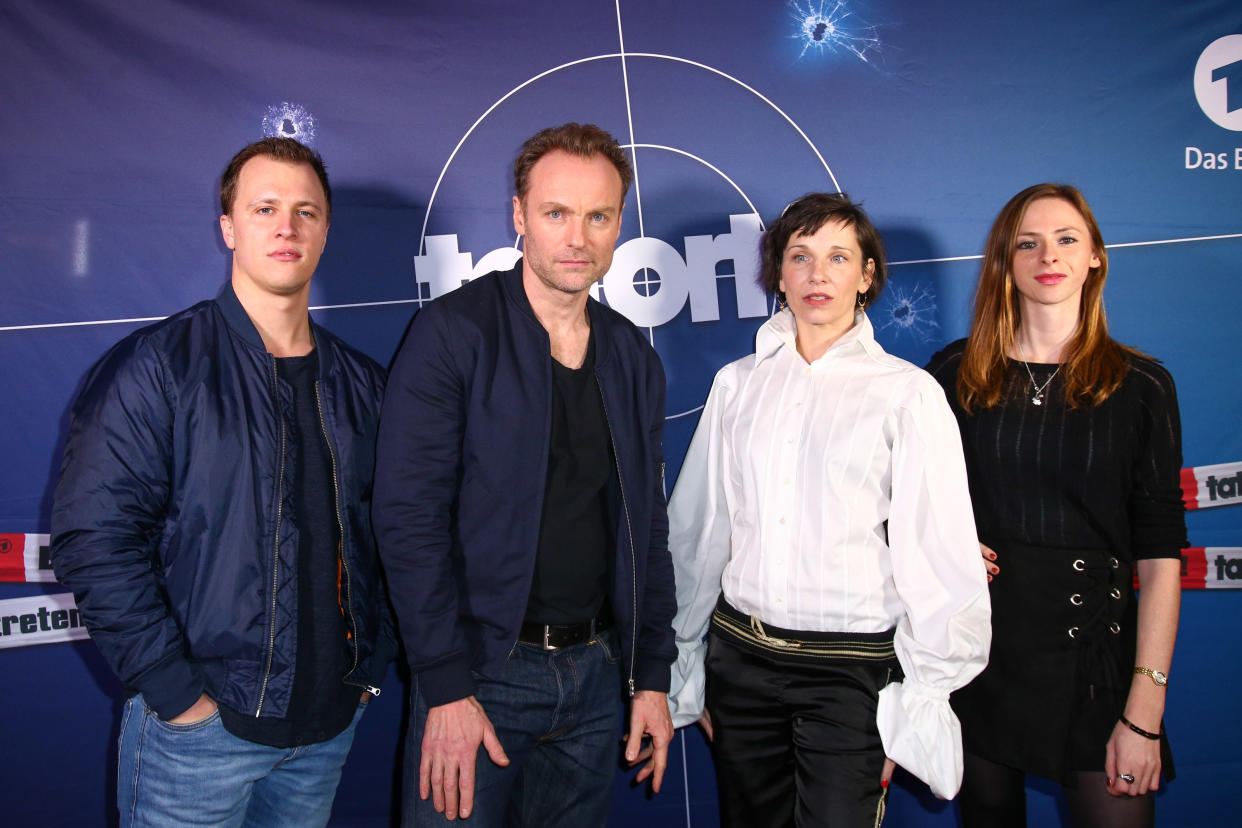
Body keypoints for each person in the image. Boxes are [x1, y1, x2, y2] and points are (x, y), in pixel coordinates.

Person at [50, 137, 394, 826]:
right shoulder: (158, 367)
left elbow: (390, 534)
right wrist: (178, 695)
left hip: (325, 734)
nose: (286, 227)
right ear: (229, 226)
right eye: (265, 208)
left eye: (305, 211)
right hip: (200, 739)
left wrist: (366, 671)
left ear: (326, 229)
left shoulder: (365, 384)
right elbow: (95, 538)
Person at [373, 122, 676, 826]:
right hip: (480, 677)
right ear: (519, 217)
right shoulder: (452, 335)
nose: (578, 238)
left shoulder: (633, 357)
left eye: (598, 216)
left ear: (619, 223)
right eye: (556, 213)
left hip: (599, 679)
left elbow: (647, 532)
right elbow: (407, 521)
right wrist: (446, 688)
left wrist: (650, 676)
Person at [667, 192, 991, 827]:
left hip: (849, 676)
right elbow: (702, 530)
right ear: (779, 275)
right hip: (743, 659)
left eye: (838, 257)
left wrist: (920, 696)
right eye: (801, 256)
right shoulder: (737, 385)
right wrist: (683, 654)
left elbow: (938, 551)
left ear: (867, 275)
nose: (818, 275)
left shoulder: (908, 394)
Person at [925, 183, 1185, 827]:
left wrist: (1144, 712)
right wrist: (943, 543)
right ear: (1004, 263)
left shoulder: (1144, 386)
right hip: (981, 657)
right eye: (1028, 243)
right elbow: (905, 510)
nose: (1050, 255)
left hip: (1096, 665)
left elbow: (1158, 561)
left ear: (1095, 256)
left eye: (1067, 239)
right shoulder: (952, 375)